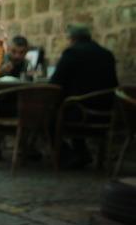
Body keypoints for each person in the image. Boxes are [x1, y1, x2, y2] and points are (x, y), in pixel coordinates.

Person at [50, 25, 118, 168]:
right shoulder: (107, 54)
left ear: (73, 39)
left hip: (80, 112)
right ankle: (81, 153)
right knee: (70, 104)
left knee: (47, 114)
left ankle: (67, 156)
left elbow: (55, 82)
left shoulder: (72, 53)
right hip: (107, 112)